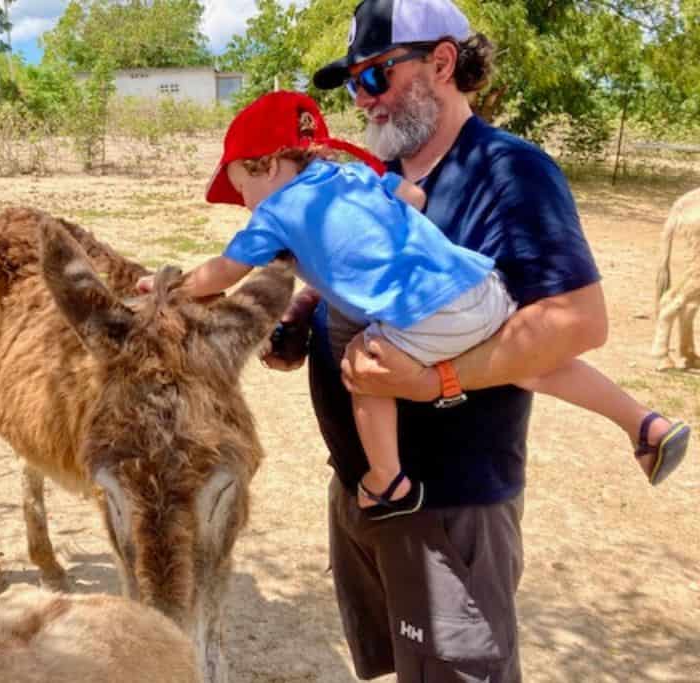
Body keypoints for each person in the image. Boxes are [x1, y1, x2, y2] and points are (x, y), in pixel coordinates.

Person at [255, 0, 689, 680]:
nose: (363, 102)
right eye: (353, 86)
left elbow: (578, 322)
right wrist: (298, 323)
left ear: (442, 62)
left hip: (450, 507)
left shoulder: (507, 172)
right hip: (364, 491)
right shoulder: (390, 177)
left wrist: (436, 382)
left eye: (374, 78)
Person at [139, 88, 689, 524]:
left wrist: (170, 287)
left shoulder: (276, 213)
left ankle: (388, 479)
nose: (246, 204)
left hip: (423, 313)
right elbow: (415, 198)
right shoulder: (351, 173)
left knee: (366, 368)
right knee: (537, 368)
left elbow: (223, 273)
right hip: (478, 284)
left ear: (264, 166)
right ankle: (644, 424)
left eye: (241, 188)